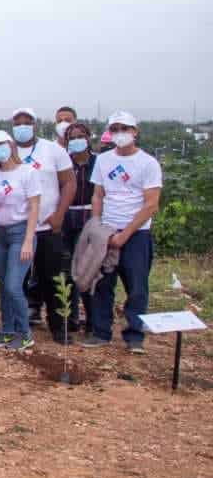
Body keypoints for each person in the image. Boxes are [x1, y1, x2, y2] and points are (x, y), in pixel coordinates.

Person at [84, 112, 162, 353]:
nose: (120, 133)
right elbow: (98, 194)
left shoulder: (148, 163)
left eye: (124, 128)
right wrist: (98, 226)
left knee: (136, 286)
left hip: (136, 234)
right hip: (106, 229)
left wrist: (124, 235)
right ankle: (101, 332)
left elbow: (151, 204)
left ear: (135, 131)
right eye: (115, 128)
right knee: (102, 284)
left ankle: (134, 335)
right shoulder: (104, 160)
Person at [11, 107, 74, 338]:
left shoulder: (53, 150)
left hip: (48, 227)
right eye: (17, 123)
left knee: (53, 278)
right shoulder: (6, 151)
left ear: (35, 125)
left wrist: (59, 215)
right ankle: (17, 325)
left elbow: (69, 183)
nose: (22, 126)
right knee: (17, 280)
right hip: (16, 229)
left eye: (27, 122)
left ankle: (59, 327)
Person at [0, 130, 41, 351]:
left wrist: (28, 240)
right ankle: (7, 331)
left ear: (11, 145)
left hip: (20, 233)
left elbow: (35, 206)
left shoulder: (27, 172)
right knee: (3, 285)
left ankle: (25, 333)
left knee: (13, 285)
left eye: (1, 144)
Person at [60, 121, 97, 336]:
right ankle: (70, 317)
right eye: (71, 137)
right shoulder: (64, 163)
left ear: (88, 137)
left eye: (80, 135)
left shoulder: (97, 162)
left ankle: (93, 319)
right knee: (67, 271)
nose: (76, 140)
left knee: (87, 271)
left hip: (89, 219)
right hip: (66, 219)